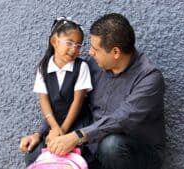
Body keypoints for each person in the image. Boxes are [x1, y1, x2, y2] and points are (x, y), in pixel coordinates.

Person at [20, 13, 165, 169]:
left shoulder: (149, 78)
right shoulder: (92, 65)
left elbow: (122, 119)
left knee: (111, 146)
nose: (89, 52)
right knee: (35, 152)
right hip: (92, 144)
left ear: (115, 52)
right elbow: (68, 103)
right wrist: (41, 133)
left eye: (95, 48)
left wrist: (78, 136)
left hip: (133, 152)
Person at [20, 16, 93, 166]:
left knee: (71, 158)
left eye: (79, 46)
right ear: (54, 41)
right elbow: (44, 99)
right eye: (70, 43)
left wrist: (63, 131)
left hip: (77, 124)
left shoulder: (81, 67)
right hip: (54, 125)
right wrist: (54, 128)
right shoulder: (44, 68)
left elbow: (77, 101)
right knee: (37, 155)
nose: (74, 49)